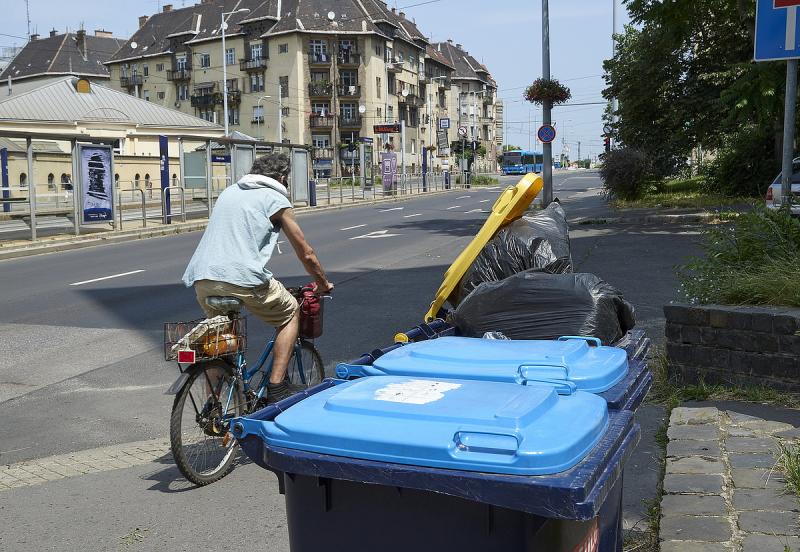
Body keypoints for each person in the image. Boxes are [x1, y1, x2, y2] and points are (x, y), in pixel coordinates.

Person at [182, 153, 334, 404]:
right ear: (283, 177)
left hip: (203, 278)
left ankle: (214, 405)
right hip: (242, 278)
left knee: (222, 338)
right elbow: (305, 252)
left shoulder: (230, 192)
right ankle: (277, 386)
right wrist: (322, 282)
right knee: (290, 312)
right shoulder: (275, 198)